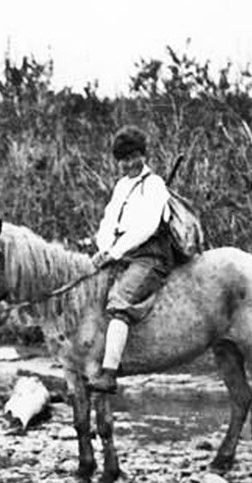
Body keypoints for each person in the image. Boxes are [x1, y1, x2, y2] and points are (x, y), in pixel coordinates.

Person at [86, 125, 174, 394]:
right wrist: (103, 247)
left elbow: (147, 226)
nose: (128, 164)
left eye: (133, 157)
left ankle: (110, 373)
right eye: (123, 159)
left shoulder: (154, 185)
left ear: (143, 156)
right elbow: (109, 220)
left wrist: (114, 252)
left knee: (119, 301)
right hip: (121, 252)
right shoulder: (122, 186)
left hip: (150, 255)